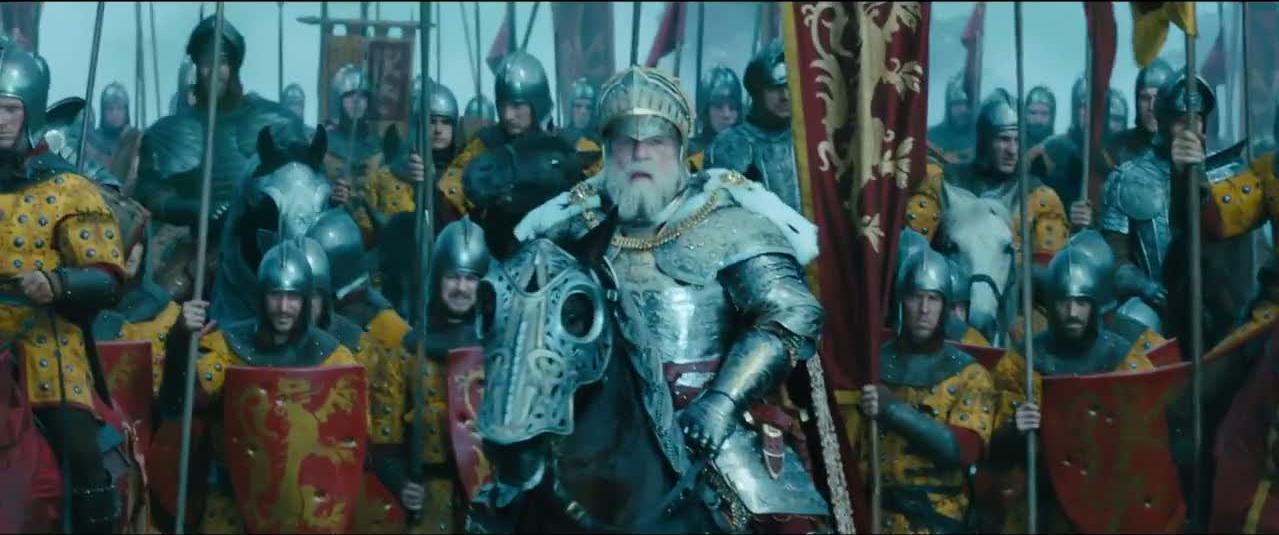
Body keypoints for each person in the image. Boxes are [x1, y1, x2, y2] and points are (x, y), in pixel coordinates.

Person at [516, 65, 830, 532]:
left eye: (656, 140)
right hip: (591, 437)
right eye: (626, 141)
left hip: (711, 430)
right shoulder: (569, 231)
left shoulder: (729, 222)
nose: (640, 153)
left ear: (681, 147)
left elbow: (791, 312)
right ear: (607, 149)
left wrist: (722, 401)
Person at [0, 37, 130, 533]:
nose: (0, 120)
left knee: (79, 450)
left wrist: (56, 283)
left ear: (31, 112)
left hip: (44, 342)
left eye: (10, 109)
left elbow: (107, 276)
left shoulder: (67, 188)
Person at [158, 240, 360, 532]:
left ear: (305, 300)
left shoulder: (333, 358)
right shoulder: (227, 348)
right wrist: (180, 341)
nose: (283, 308)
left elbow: (351, 436)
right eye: (275, 295)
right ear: (261, 296)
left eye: (293, 297)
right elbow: (182, 402)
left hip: (304, 510)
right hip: (233, 502)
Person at [985, 240, 1155, 532]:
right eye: (1064, 303)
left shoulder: (1123, 358)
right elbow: (992, 445)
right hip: (1041, 496)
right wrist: (1014, 427)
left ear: (1094, 305)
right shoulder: (1023, 360)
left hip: (1106, 494)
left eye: (1081, 303)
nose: (1073, 312)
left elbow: (1148, 432)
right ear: (1051, 305)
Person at [136, 16, 306, 301]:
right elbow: (149, 196)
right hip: (203, 249)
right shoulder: (173, 131)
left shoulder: (274, 121)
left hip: (268, 250)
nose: (215, 71)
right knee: (159, 307)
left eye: (223, 62)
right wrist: (196, 208)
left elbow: (302, 181)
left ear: (235, 66)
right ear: (197, 67)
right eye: (206, 62)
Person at [859, 250, 996, 533]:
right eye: (916, 297)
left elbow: (962, 450)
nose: (924, 309)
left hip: (938, 520)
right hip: (874, 517)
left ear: (945, 306)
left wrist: (892, 409)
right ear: (901, 302)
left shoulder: (970, 375)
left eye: (933, 299)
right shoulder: (871, 365)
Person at [371, 217, 491, 532]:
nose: (461, 288)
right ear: (437, 279)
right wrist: (401, 483)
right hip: (430, 503)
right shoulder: (408, 351)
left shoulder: (499, 351)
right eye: (452, 277)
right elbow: (384, 441)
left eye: (471, 278)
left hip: (488, 501)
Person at [1100, 70, 1213, 339]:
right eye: (1181, 121)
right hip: (1154, 304)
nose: (1190, 131)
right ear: (1164, 123)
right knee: (1134, 321)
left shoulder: (1225, 178)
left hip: (1211, 303)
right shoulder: (1129, 179)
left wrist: (1194, 179)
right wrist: (1143, 285)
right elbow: (1114, 260)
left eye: (1197, 120)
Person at [708, 39, 803, 212]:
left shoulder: (809, 138)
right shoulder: (731, 144)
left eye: (788, 86)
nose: (785, 96)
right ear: (758, 92)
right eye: (774, 88)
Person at [1106, 58, 1174, 168]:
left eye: (1158, 99)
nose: (1151, 107)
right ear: (1137, 101)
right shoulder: (1117, 148)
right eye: (1145, 98)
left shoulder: (1183, 148)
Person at [690, 64, 743, 160]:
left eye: (732, 106)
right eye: (718, 106)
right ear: (706, 111)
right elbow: (690, 168)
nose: (726, 114)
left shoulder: (747, 152)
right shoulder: (694, 152)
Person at [928, 75, 976, 164]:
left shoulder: (979, 135)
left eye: (966, 104)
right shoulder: (932, 135)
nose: (963, 110)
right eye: (958, 104)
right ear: (949, 107)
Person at [84, 82, 133, 169]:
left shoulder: (134, 140)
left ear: (126, 111)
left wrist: (96, 155)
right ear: (103, 112)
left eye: (119, 108)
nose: (115, 113)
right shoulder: (92, 139)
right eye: (110, 109)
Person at [1024, 85, 1056, 149]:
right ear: (1025, 114)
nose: (1038, 120)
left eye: (1044, 113)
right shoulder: (1014, 147)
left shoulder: (1059, 149)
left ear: (1051, 117)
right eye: (1033, 113)